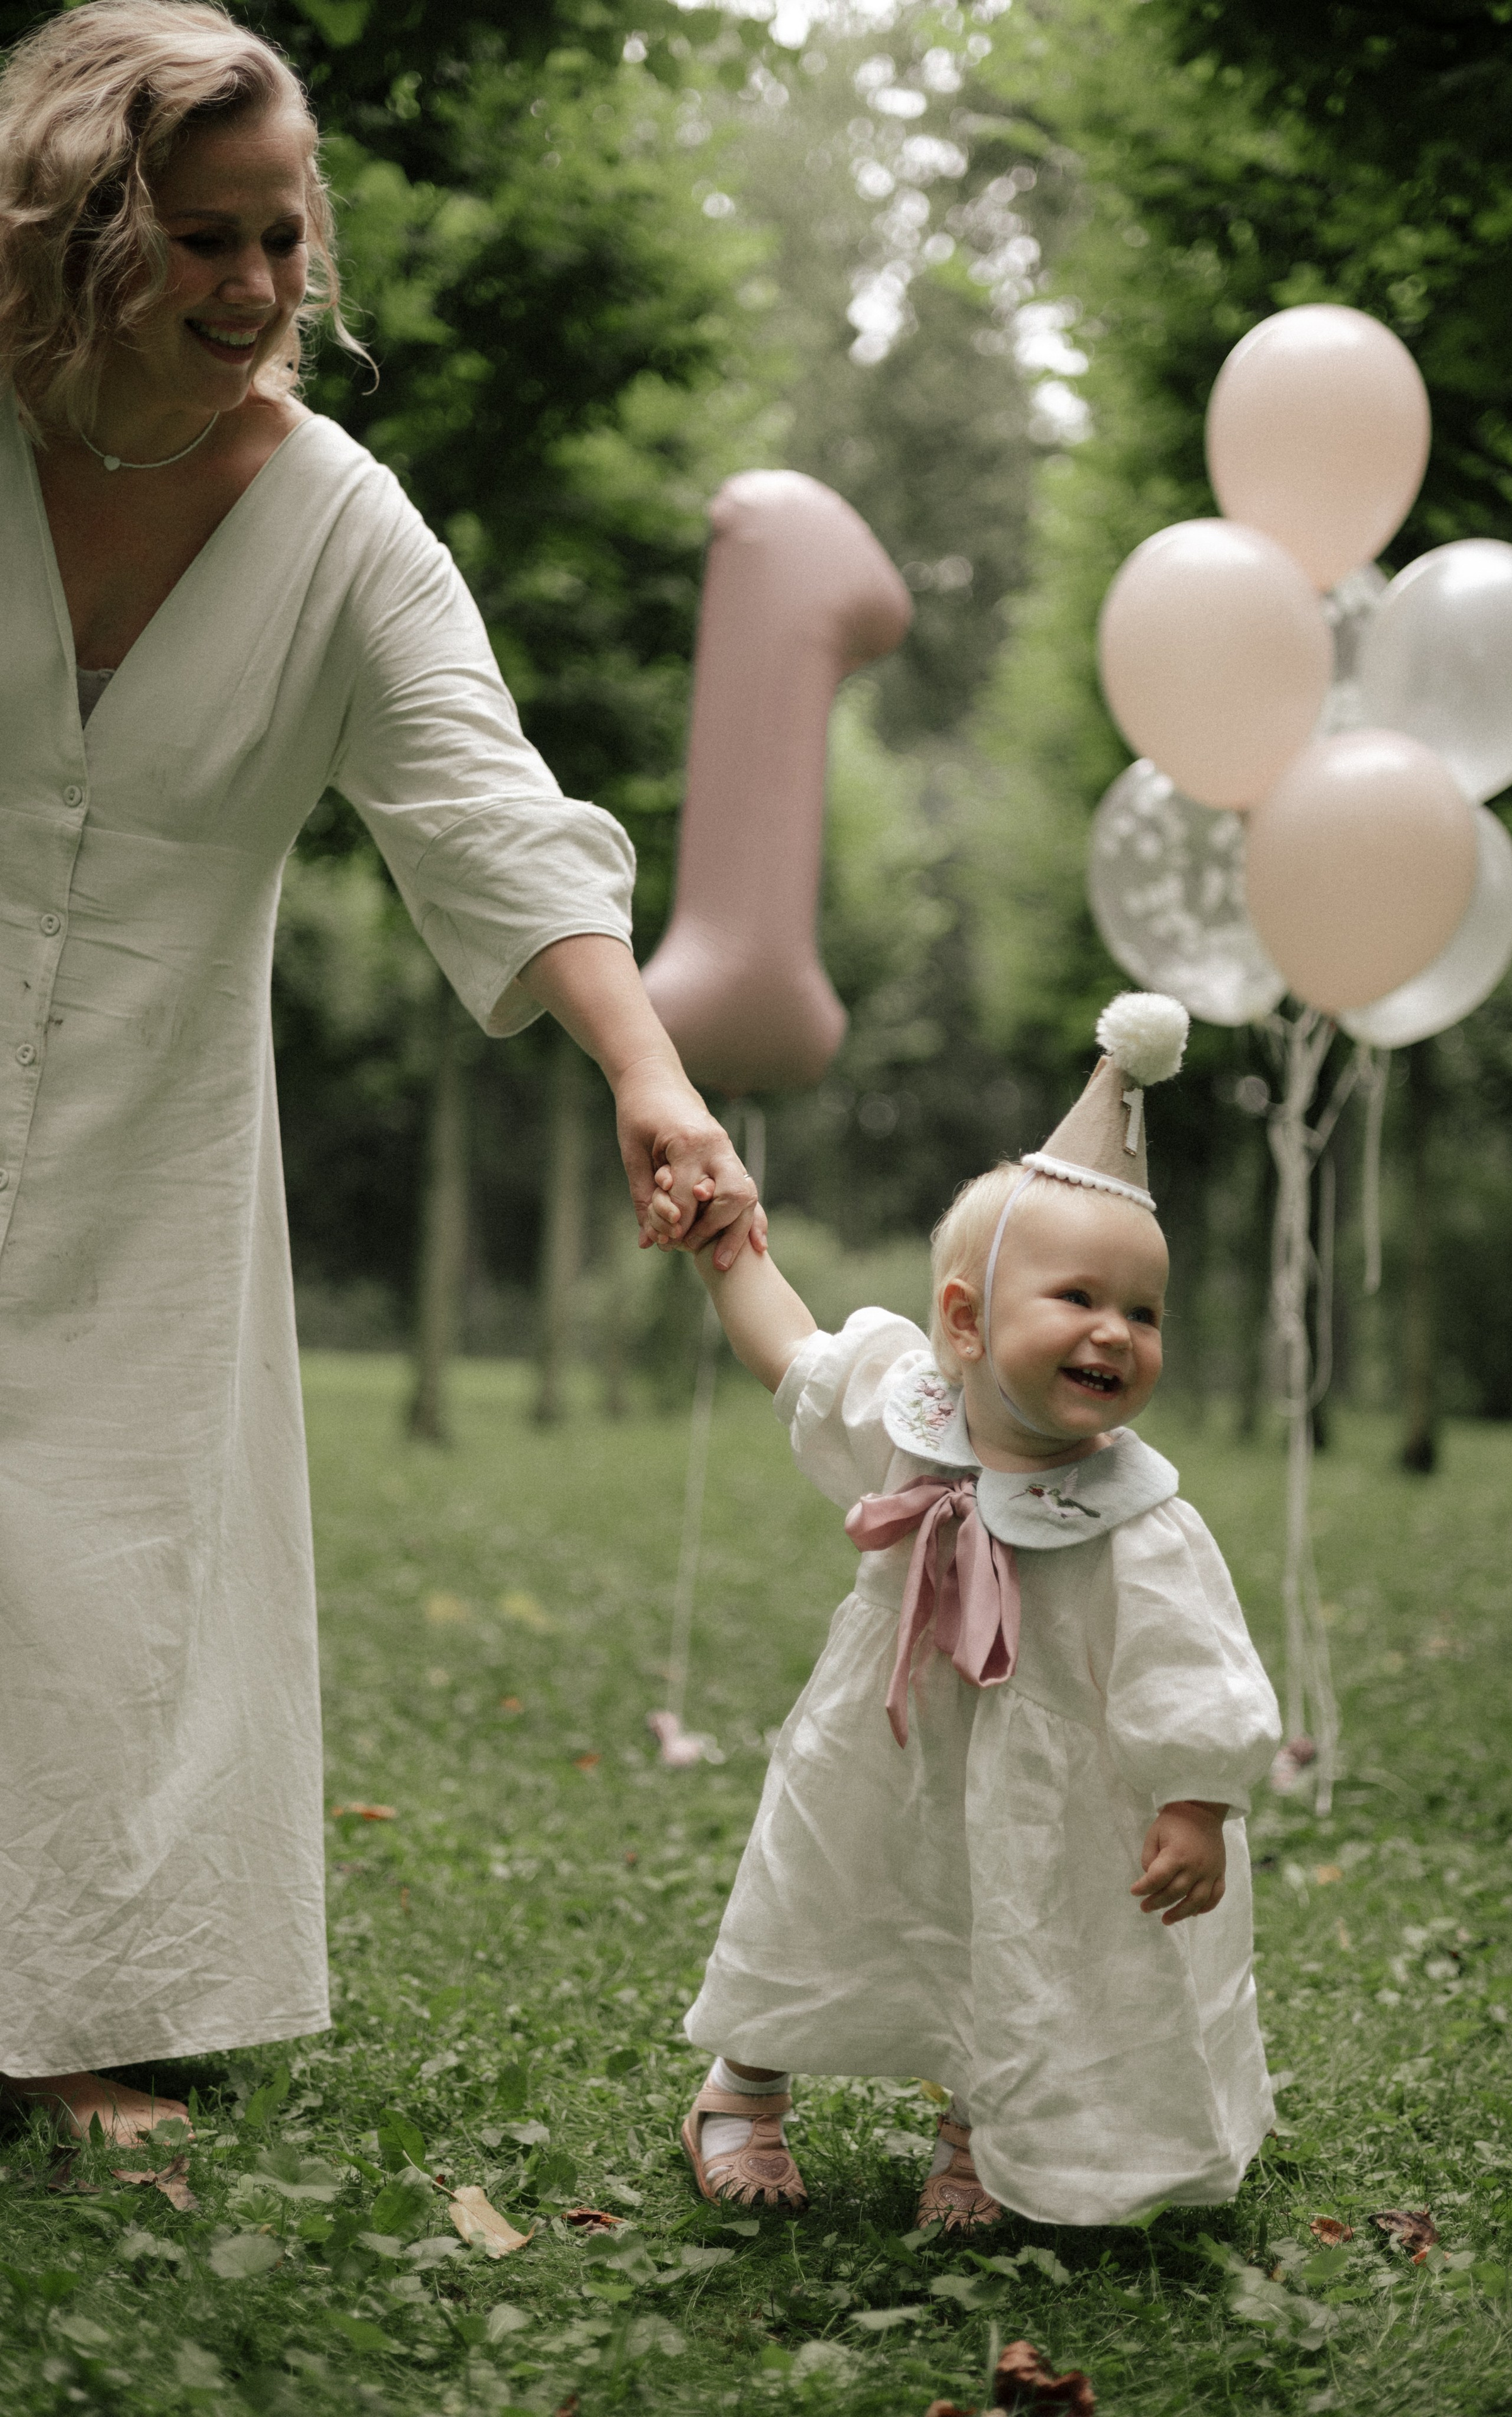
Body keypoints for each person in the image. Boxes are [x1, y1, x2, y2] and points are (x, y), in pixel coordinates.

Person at [0, 0, 754, 2149]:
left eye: (283, 239)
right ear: (79, 229)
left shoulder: (339, 524)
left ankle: (61, 2016)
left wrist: (645, 1072)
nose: (254, 292)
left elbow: (485, 809)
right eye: (205, 240)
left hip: (154, 1125)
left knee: (98, 1536)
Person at [662, 993, 1282, 2230]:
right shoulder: (910, 1417)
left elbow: (1188, 1665)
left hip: (1049, 1787)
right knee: (816, 1895)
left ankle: (976, 2128)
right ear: (961, 1321)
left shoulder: (1135, 1513)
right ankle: (742, 2088)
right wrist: (730, 1252)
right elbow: (793, 1356)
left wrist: (1195, 1801)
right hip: (878, 1750)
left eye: (1143, 1312)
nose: (1114, 1331)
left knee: (1017, 1932)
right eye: (1077, 1299)